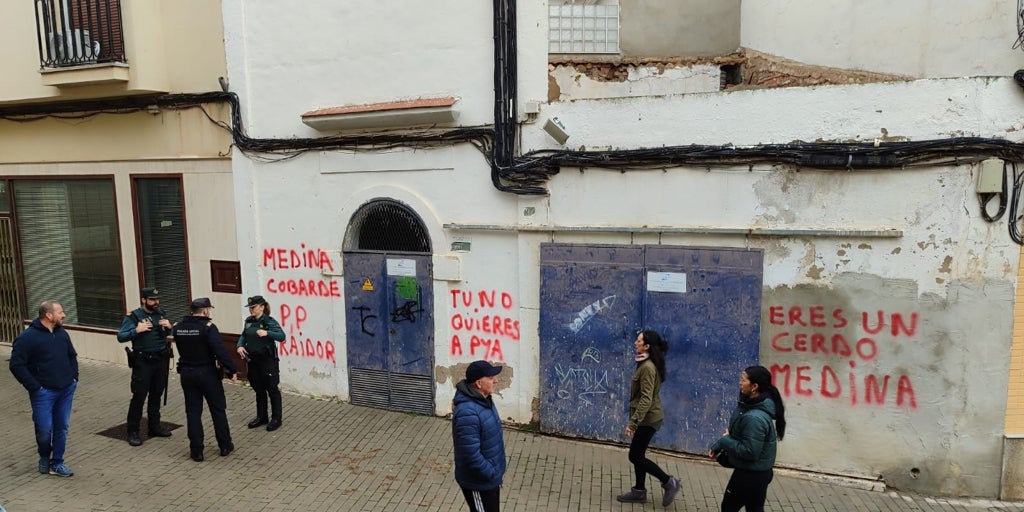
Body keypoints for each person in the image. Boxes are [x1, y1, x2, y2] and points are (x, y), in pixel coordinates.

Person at [9, 301, 78, 477]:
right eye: (60, 312)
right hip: (43, 393)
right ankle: (44, 456)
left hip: (66, 389)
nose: (64, 315)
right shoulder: (27, 338)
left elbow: (72, 355)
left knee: (62, 427)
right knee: (45, 429)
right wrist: (35, 387)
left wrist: (74, 377)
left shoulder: (62, 333)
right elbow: (16, 365)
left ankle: (57, 462)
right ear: (48, 315)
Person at [708, 365, 787, 512]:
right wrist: (719, 444)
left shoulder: (754, 418)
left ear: (754, 387)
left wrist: (725, 440)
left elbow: (750, 451)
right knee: (755, 509)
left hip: (750, 475)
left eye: (743, 380)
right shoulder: (750, 404)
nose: (739, 382)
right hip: (759, 473)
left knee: (728, 508)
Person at [616, 329, 681, 507]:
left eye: (639, 341)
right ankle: (639, 491)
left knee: (635, 456)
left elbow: (646, 398)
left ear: (647, 346)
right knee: (638, 454)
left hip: (648, 418)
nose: (635, 343)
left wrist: (633, 422)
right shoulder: (647, 362)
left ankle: (669, 482)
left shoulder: (647, 368)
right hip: (648, 415)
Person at [172, 297, 238, 462]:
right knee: (217, 410)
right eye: (209, 309)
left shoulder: (178, 328)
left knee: (193, 412)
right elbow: (220, 351)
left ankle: (196, 451)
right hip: (207, 373)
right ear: (205, 310)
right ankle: (224, 445)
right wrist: (232, 369)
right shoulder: (208, 328)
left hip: (187, 372)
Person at [116, 287, 174, 446]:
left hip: (160, 360)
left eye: (157, 299)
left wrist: (170, 327)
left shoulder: (160, 314)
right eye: (152, 300)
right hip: (143, 362)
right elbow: (120, 336)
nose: (156, 302)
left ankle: (154, 426)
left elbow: (169, 335)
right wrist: (136, 330)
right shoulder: (133, 317)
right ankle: (133, 431)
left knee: (156, 394)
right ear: (143, 300)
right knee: (139, 396)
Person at [452, 360, 506, 512]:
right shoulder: (467, 412)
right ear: (478, 383)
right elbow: (470, 455)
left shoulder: (485, 400)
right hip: (478, 482)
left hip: (490, 479)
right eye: (490, 378)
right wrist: (490, 473)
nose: (495, 380)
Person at [236, 295, 287, 431]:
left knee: (272, 389)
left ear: (262, 307)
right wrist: (240, 345)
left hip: (267, 360)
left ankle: (276, 418)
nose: (251, 310)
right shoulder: (249, 321)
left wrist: (267, 333)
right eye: (250, 308)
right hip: (253, 360)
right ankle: (261, 417)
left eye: (254, 307)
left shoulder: (268, 321)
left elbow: (282, 336)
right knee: (259, 389)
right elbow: (244, 335)